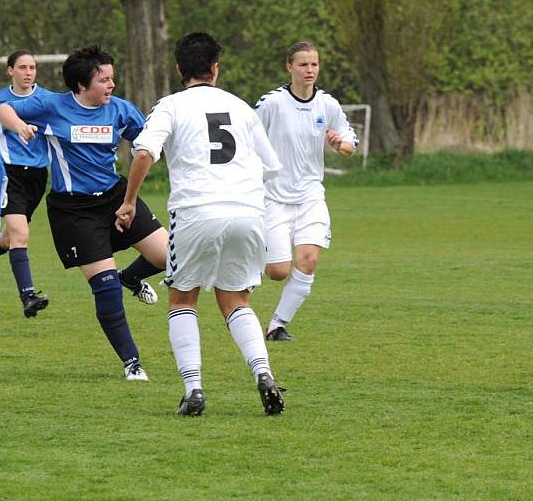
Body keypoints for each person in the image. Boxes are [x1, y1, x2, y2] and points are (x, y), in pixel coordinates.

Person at [115, 32, 285, 416]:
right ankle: (264, 374)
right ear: (215, 69)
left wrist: (129, 202)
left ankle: (193, 389)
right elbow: (273, 169)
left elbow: (143, 153)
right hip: (247, 211)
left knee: (182, 299)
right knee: (235, 298)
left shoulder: (171, 106)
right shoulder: (242, 107)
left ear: (178, 69)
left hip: (196, 213)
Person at [0, 45, 167, 381]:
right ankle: (132, 362)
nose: (111, 85)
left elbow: (147, 145)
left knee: (170, 257)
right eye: (104, 79)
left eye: (112, 78)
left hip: (117, 197)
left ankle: (130, 277)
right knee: (105, 288)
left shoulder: (120, 110)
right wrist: (18, 126)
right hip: (74, 210)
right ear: (81, 84)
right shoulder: (51, 106)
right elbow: (4, 108)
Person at [254, 41, 358, 342]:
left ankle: (276, 325)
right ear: (290, 67)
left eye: (314, 64)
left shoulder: (328, 104)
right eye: (303, 64)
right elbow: (247, 137)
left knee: (309, 259)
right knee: (277, 271)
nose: (309, 70)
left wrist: (341, 146)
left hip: (311, 195)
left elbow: (350, 143)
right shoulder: (271, 103)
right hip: (273, 196)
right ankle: (243, 259)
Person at [0, 50, 53, 317]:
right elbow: (3, 113)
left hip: (38, 177)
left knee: (9, 240)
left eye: (32, 67)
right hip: (10, 174)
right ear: (10, 71)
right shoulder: (2, 99)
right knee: (20, 234)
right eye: (22, 67)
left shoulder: (47, 99)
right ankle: (28, 297)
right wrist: (20, 127)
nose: (28, 72)